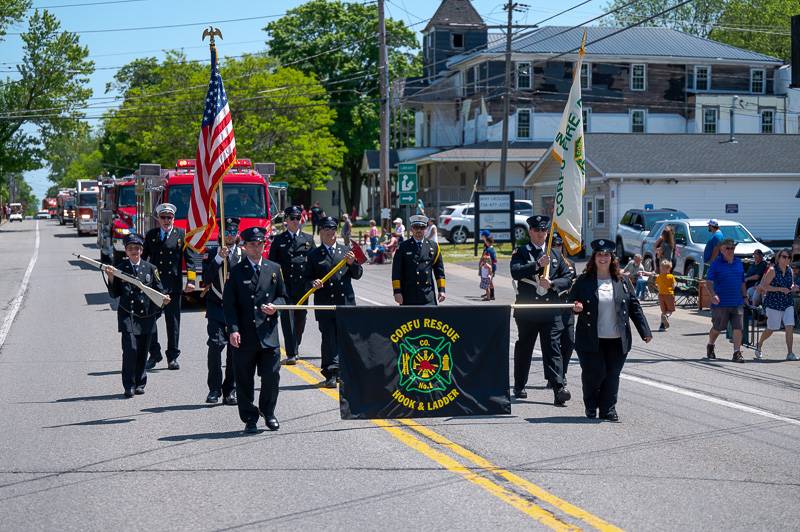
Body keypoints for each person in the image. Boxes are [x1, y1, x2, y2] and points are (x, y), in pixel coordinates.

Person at [569, 239, 652, 421]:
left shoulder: (621, 281)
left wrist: (645, 330)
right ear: (594, 258)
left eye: (607, 255)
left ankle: (608, 409)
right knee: (595, 373)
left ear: (612, 258)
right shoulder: (583, 281)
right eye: (600, 254)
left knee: (612, 374)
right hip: (591, 338)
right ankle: (591, 406)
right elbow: (569, 303)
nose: (603, 258)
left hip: (617, 338)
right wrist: (575, 307)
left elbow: (634, 306)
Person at [223, 226, 287, 434]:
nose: (256, 248)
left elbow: (283, 297)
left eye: (260, 244)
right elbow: (229, 305)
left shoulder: (274, 268)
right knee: (244, 379)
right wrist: (233, 330)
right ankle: (250, 417)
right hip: (245, 335)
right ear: (245, 246)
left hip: (268, 334)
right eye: (252, 244)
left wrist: (275, 306)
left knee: (271, 376)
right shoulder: (236, 270)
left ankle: (268, 412)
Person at [510, 215, 573, 405]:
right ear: (530, 232)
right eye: (536, 230)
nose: (540, 234)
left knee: (553, 349)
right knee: (525, 349)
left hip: (549, 311)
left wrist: (553, 283)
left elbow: (568, 278)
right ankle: (520, 385)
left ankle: (558, 388)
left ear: (547, 232)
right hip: (528, 310)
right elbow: (515, 271)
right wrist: (537, 265)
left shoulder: (555, 255)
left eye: (543, 230)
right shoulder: (521, 252)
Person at [104, 234, 170, 398]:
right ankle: (129, 385)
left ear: (141, 250)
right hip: (129, 316)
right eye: (130, 249)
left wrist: (164, 299)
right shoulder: (120, 269)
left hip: (146, 316)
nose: (134, 251)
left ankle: (140, 382)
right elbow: (114, 294)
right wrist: (111, 277)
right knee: (130, 350)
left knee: (142, 351)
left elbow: (159, 289)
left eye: (137, 248)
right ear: (126, 251)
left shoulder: (151, 268)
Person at [306, 216, 363, 387]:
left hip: (344, 302)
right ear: (320, 232)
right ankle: (330, 372)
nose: (330, 232)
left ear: (336, 231)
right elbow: (307, 277)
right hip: (324, 302)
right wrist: (312, 283)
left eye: (332, 229)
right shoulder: (314, 254)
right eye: (326, 229)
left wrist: (353, 264)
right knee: (329, 338)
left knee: (344, 338)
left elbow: (358, 274)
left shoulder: (346, 251)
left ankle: (344, 371)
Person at [144, 203, 194, 371]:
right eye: (163, 217)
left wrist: (191, 280)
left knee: (172, 323)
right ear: (158, 219)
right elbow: (144, 260)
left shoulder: (181, 234)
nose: (166, 220)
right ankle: (155, 353)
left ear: (173, 218)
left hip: (173, 286)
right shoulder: (151, 235)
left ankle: (172, 357)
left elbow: (191, 258)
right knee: (149, 320)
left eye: (169, 217)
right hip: (155, 286)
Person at [202, 217, 241, 405]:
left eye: (233, 232)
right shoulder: (211, 253)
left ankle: (230, 390)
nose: (230, 236)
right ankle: (214, 389)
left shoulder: (242, 254)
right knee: (215, 347)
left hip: (236, 309)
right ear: (220, 234)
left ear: (238, 234)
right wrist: (219, 258)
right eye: (226, 232)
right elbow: (206, 278)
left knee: (235, 350)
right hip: (216, 306)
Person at [268, 206, 315, 366]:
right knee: (288, 320)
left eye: (298, 218)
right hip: (285, 286)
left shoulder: (308, 239)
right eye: (292, 218)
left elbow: (315, 263)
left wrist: (314, 280)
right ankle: (291, 352)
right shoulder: (279, 240)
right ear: (286, 220)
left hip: (303, 287)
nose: (296, 221)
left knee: (300, 320)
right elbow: (272, 264)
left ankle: (296, 344)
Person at [704, 238, 748, 363]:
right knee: (718, 328)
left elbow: (742, 281)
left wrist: (745, 297)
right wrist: (713, 295)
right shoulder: (716, 263)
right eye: (727, 248)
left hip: (737, 302)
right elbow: (709, 282)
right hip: (721, 303)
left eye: (732, 248)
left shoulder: (739, 262)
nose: (730, 250)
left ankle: (736, 353)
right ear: (721, 250)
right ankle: (711, 345)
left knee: (738, 328)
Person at [392, 215, 446, 306]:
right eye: (416, 227)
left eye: (422, 227)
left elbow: (439, 271)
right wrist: (397, 292)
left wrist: (441, 290)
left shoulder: (433, 246)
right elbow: (396, 271)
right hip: (408, 295)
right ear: (411, 229)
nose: (419, 230)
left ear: (425, 229)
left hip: (428, 295)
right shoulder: (403, 247)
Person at [755, 249, 798, 361]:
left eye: (789, 257)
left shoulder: (790, 270)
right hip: (773, 303)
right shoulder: (772, 270)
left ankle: (790, 353)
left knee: (789, 326)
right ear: (778, 258)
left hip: (787, 302)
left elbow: (791, 283)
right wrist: (780, 289)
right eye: (784, 257)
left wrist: (793, 287)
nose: (786, 259)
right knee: (772, 328)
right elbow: (764, 286)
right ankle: (759, 344)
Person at [549, 232, 576, 388]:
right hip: (553, 306)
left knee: (569, 342)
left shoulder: (570, 264)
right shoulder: (547, 265)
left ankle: (562, 372)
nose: (557, 248)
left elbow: (574, 284)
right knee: (553, 344)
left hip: (568, 306)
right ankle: (554, 375)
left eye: (559, 245)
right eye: (554, 245)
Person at [655, 259, 676, 331]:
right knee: (670, 310)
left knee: (663, 311)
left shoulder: (659, 276)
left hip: (661, 295)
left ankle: (662, 327)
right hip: (669, 295)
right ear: (669, 269)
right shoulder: (671, 276)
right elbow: (673, 285)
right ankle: (666, 316)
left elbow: (657, 286)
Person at [480, 230, 497, 300]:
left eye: (486, 242)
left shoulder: (489, 250)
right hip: (492, 267)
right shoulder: (492, 249)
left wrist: (483, 263)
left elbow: (487, 258)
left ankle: (490, 296)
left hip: (489, 268)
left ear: (488, 242)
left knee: (488, 282)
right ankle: (491, 294)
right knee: (490, 281)